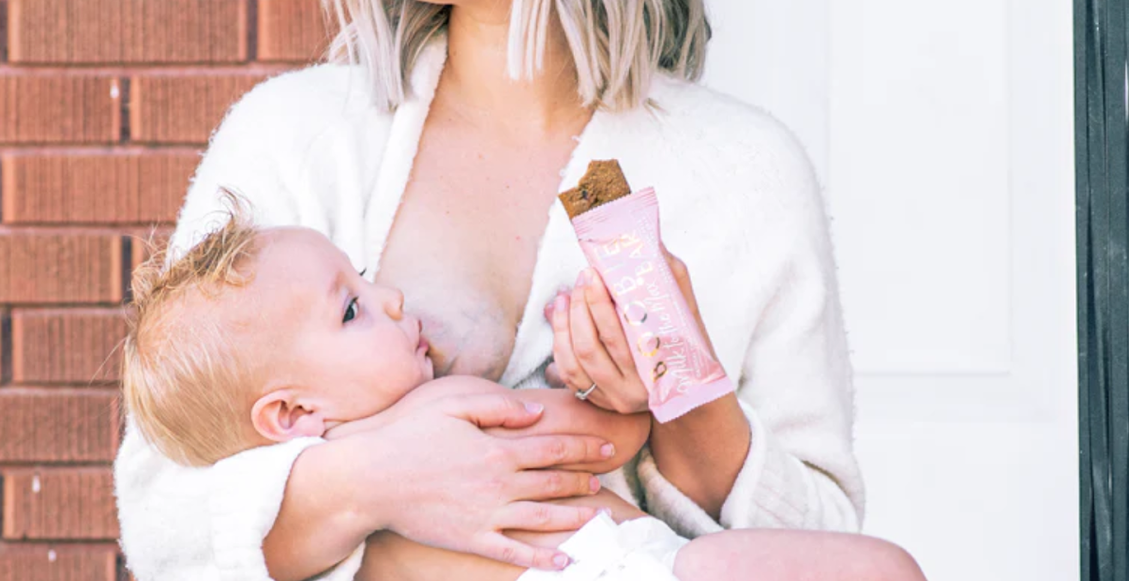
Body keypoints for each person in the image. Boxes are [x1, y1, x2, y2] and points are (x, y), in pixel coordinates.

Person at [113, 0, 866, 578]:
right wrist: (378, 480)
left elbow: (828, 534)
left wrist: (678, 392)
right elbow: (163, 520)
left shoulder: (745, 171)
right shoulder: (294, 135)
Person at [120, 209, 923, 581]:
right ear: (293, 415)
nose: (391, 297)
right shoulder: (439, 414)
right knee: (883, 571)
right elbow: (606, 443)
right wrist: (611, 376)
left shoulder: (316, 535)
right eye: (354, 306)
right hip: (634, 571)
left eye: (364, 272)